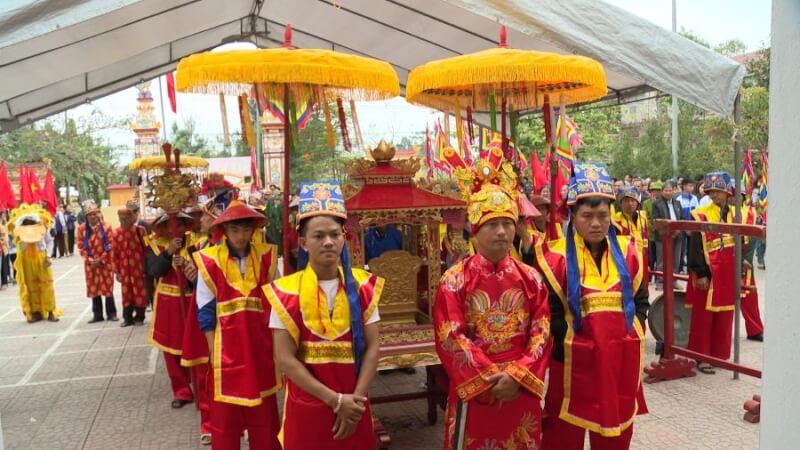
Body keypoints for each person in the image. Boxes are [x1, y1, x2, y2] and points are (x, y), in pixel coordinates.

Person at [434, 150, 552, 450]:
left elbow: (542, 332)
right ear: (474, 230)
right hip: (475, 392)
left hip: (519, 390)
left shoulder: (532, 278)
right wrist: (491, 376)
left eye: (508, 223)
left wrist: (517, 375)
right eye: (491, 224)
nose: (501, 231)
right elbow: (451, 337)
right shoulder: (454, 280)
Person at [535, 162, 649, 450]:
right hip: (572, 362)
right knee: (563, 436)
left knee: (615, 435)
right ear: (573, 216)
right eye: (587, 216)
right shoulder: (553, 258)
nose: (596, 223)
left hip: (619, 359)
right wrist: (577, 345)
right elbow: (551, 314)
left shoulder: (629, 252)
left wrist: (630, 333)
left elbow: (641, 300)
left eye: (602, 215)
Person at [265, 181, 383, 449]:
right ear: (304, 243)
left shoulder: (365, 287)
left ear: (344, 238)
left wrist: (355, 401)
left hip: (355, 405)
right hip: (308, 407)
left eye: (335, 234)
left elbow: (374, 347)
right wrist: (335, 400)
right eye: (319, 236)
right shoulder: (285, 293)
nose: (328, 242)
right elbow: (284, 359)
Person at [195, 200, 281, 449]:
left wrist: (278, 348)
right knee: (225, 417)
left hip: (260, 346)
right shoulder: (209, 261)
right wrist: (213, 352)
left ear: (253, 230)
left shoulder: (267, 257)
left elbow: (277, 305)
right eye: (235, 230)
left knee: (264, 414)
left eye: (245, 230)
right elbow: (206, 310)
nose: (241, 236)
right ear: (224, 231)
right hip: (225, 351)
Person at [181, 192, 233, 446]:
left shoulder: (236, 250)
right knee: (206, 373)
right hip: (206, 314)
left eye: (205, 215)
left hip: (233, 316)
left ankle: (236, 421)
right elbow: (199, 288)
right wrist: (192, 277)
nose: (200, 220)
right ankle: (209, 424)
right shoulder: (200, 248)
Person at [686, 172, 738, 374]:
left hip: (728, 270)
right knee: (703, 316)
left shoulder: (734, 213)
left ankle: (719, 355)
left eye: (719, 191)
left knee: (724, 314)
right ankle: (702, 357)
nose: (715, 195)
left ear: (727, 193)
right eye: (712, 191)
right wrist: (700, 273)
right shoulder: (701, 213)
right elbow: (695, 246)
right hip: (708, 270)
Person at [147, 211, 196, 408]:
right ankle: (182, 391)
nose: (175, 229)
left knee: (194, 345)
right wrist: (168, 253)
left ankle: (200, 387)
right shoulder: (155, 244)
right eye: (169, 225)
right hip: (168, 303)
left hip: (192, 300)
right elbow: (154, 270)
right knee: (171, 349)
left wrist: (186, 265)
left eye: (179, 224)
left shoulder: (196, 243)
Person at [8, 204, 61, 322]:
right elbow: (18, 247)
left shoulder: (42, 228)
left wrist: (48, 256)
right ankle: (35, 312)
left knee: (47, 284)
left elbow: (50, 242)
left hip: (41, 258)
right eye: (26, 222)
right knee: (31, 286)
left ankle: (51, 311)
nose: (28, 224)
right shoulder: (19, 232)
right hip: (27, 260)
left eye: (30, 221)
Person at [730, 183, 764, 342]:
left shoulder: (750, 212)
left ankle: (755, 330)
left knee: (749, 295)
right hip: (724, 261)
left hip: (745, 261)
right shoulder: (720, 212)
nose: (733, 198)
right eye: (730, 195)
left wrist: (745, 259)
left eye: (737, 195)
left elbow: (752, 239)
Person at [78, 201, 118, 323]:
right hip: (90, 265)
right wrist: (90, 260)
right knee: (94, 288)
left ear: (98, 214)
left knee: (107, 287)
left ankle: (112, 313)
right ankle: (97, 315)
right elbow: (81, 246)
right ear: (86, 216)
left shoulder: (106, 226)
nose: (93, 216)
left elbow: (111, 244)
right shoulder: (81, 229)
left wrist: (101, 259)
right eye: (90, 214)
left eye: (95, 214)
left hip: (105, 263)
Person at [112, 208, 148, 327]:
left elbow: (148, 249)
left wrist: (147, 267)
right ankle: (127, 318)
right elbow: (114, 254)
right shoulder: (116, 233)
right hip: (124, 270)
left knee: (139, 292)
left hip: (139, 269)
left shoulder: (141, 231)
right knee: (126, 293)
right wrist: (116, 271)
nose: (124, 221)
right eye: (121, 219)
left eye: (126, 219)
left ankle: (140, 317)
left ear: (132, 218)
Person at [613, 185, 649, 288]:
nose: (630, 204)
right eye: (626, 201)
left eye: (633, 200)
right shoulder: (616, 221)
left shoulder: (643, 217)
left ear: (637, 202)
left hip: (643, 258)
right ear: (621, 203)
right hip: (627, 261)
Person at [650, 181, 684, 290]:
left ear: (674, 191)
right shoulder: (657, 204)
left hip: (677, 235)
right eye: (666, 190)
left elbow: (681, 218)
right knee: (661, 260)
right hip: (662, 236)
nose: (668, 192)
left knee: (676, 259)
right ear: (662, 191)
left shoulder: (678, 203)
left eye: (670, 190)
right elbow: (655, 220)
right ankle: (660, 282)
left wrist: (678, 229)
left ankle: (673, 281)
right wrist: (667, 230)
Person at [677, 178, 699, 273]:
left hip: (692, 227)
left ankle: (690, 268)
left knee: (692, 248)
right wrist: (685, 228)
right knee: (681, 249)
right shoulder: (679, 199)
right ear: (684, 186)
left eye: (692, 186)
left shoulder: (694, 198)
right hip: (682, 227)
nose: (691, 188)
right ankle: (680, 267)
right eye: (690, 186)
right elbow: (679, 215)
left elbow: (697, 212)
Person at [1, 212, 9, 290]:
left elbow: (4, 235)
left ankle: (4, 282)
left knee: (4, 264)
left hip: (3, 246)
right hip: (3, 245)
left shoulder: (4, 223)